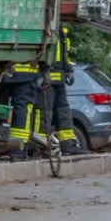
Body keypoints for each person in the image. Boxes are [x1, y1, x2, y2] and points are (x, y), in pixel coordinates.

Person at [45, 25, 83, 156]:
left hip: (59, 79)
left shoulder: (60, 29)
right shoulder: (48, 27)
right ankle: (40, 148)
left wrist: (69, 70)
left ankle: (69, 147)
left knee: (64, 115)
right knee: (46, 115)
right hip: (48, 79)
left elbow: (64, 53)